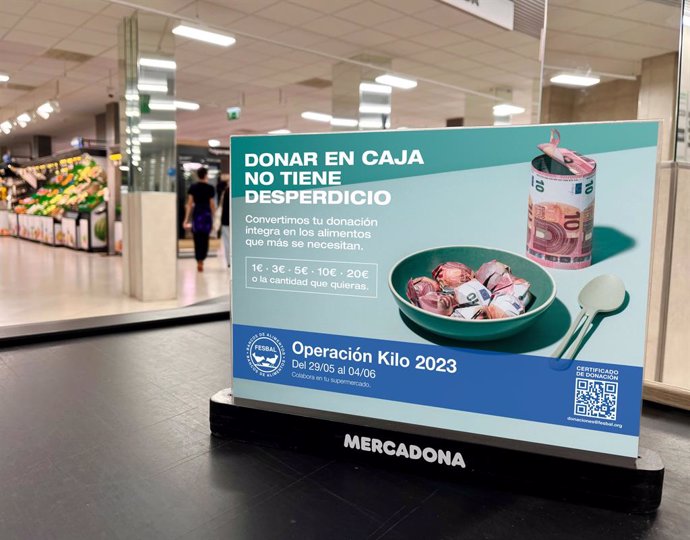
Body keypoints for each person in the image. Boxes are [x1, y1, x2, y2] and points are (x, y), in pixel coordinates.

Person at [183, 167, 215, 272]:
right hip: (206, 214)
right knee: (205, 238)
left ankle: (198, 260)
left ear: (197, 175)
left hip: (197, 214)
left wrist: (186, 219)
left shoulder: (193, 187)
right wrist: (214, 217)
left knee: (197, 238)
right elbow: (212, 204)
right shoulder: (210, 188)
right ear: (206, 175)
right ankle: (202, 259)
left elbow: (190, 204)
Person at [219, 180, 231, 269]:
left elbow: (221, 205)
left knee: (227, 242)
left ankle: (229, 261)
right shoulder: (239, 192)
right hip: (235, 221)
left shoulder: (226, 192)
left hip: (225, 220)